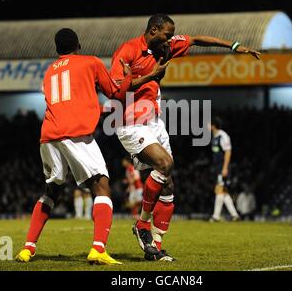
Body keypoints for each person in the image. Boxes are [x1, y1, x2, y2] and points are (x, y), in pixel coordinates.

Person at [110, 14, 260, 261]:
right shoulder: (127, 51)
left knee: (168, 184)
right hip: (129, 121)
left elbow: (197, 39)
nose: (171, 41)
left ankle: (155, 248)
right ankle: (142, 225)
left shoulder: (164, 46)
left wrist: (234, 46)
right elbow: (116, 89)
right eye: (167, 35)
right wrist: (152, 75)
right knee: (165, 164)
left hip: (154, 121)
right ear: (154, 30)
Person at [15, 28, 135, 265]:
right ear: (78, 45)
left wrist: (98, 111)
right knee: (102, 187)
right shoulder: (91, 62)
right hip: (75, 134)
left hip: (49, 136)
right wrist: (129, 77)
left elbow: (68, 103)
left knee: (52, 191)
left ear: (57, 50)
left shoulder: (49, 72)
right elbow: (117, 93)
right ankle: (98, 249)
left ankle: (28, 248)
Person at [209, 116, 240, 222]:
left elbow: (228, 151)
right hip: (218, 167)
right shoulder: (214, 136)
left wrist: (225, 168)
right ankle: (235, 215)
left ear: (213, 126)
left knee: (219, 190)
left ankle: (215, 216)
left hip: (223, 167)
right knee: (224, 192)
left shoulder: (223, 136)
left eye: (209, 124)